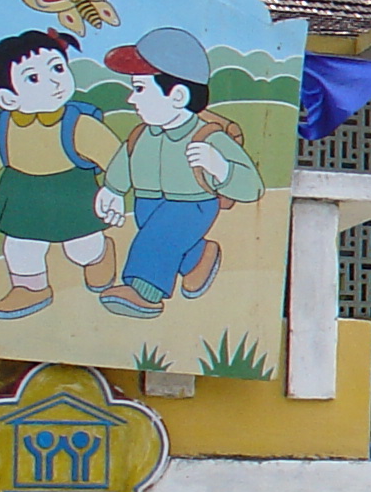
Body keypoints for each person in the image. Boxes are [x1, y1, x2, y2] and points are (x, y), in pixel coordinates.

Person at [0, 29, 122, 318]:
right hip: (22, 195)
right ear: (7, 98)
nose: (54, 80)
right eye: (33, 77)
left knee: (81, 247)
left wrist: (113, 189)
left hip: (72, 193)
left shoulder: (79, 124)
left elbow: (117, 160)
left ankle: (100, 256)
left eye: (57, 68)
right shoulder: (2, 126)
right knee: (20, 248)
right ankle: (31, 288)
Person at [97, 27, 263, 319]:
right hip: (147, 204)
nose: (131, 100)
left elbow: (252, 187)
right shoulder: (141, 135)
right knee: (166, 239)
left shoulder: (209, 137)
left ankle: (144, 292)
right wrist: (112, 190)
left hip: (192, 205)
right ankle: (197, 257)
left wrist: (220, 167)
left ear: (177, 95)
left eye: (139, 88)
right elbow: (126, 160)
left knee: (155, 241)